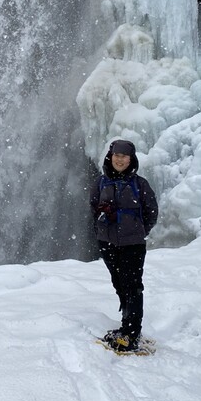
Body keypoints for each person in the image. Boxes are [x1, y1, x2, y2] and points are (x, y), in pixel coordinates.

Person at [89, 139, 158, 352]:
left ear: (131, 159)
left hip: (132, 245)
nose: (120, 160)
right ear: (111, 157)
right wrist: (102, 231)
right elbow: (93, 209)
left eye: (124, 156)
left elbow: (151, 212)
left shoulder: (140, 184)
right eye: (116, 155)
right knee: (120, 284)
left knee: (133, 287)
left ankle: (130, 335)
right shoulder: (101, 183)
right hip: (108, 244)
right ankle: (127, 327)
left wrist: (138, 232)